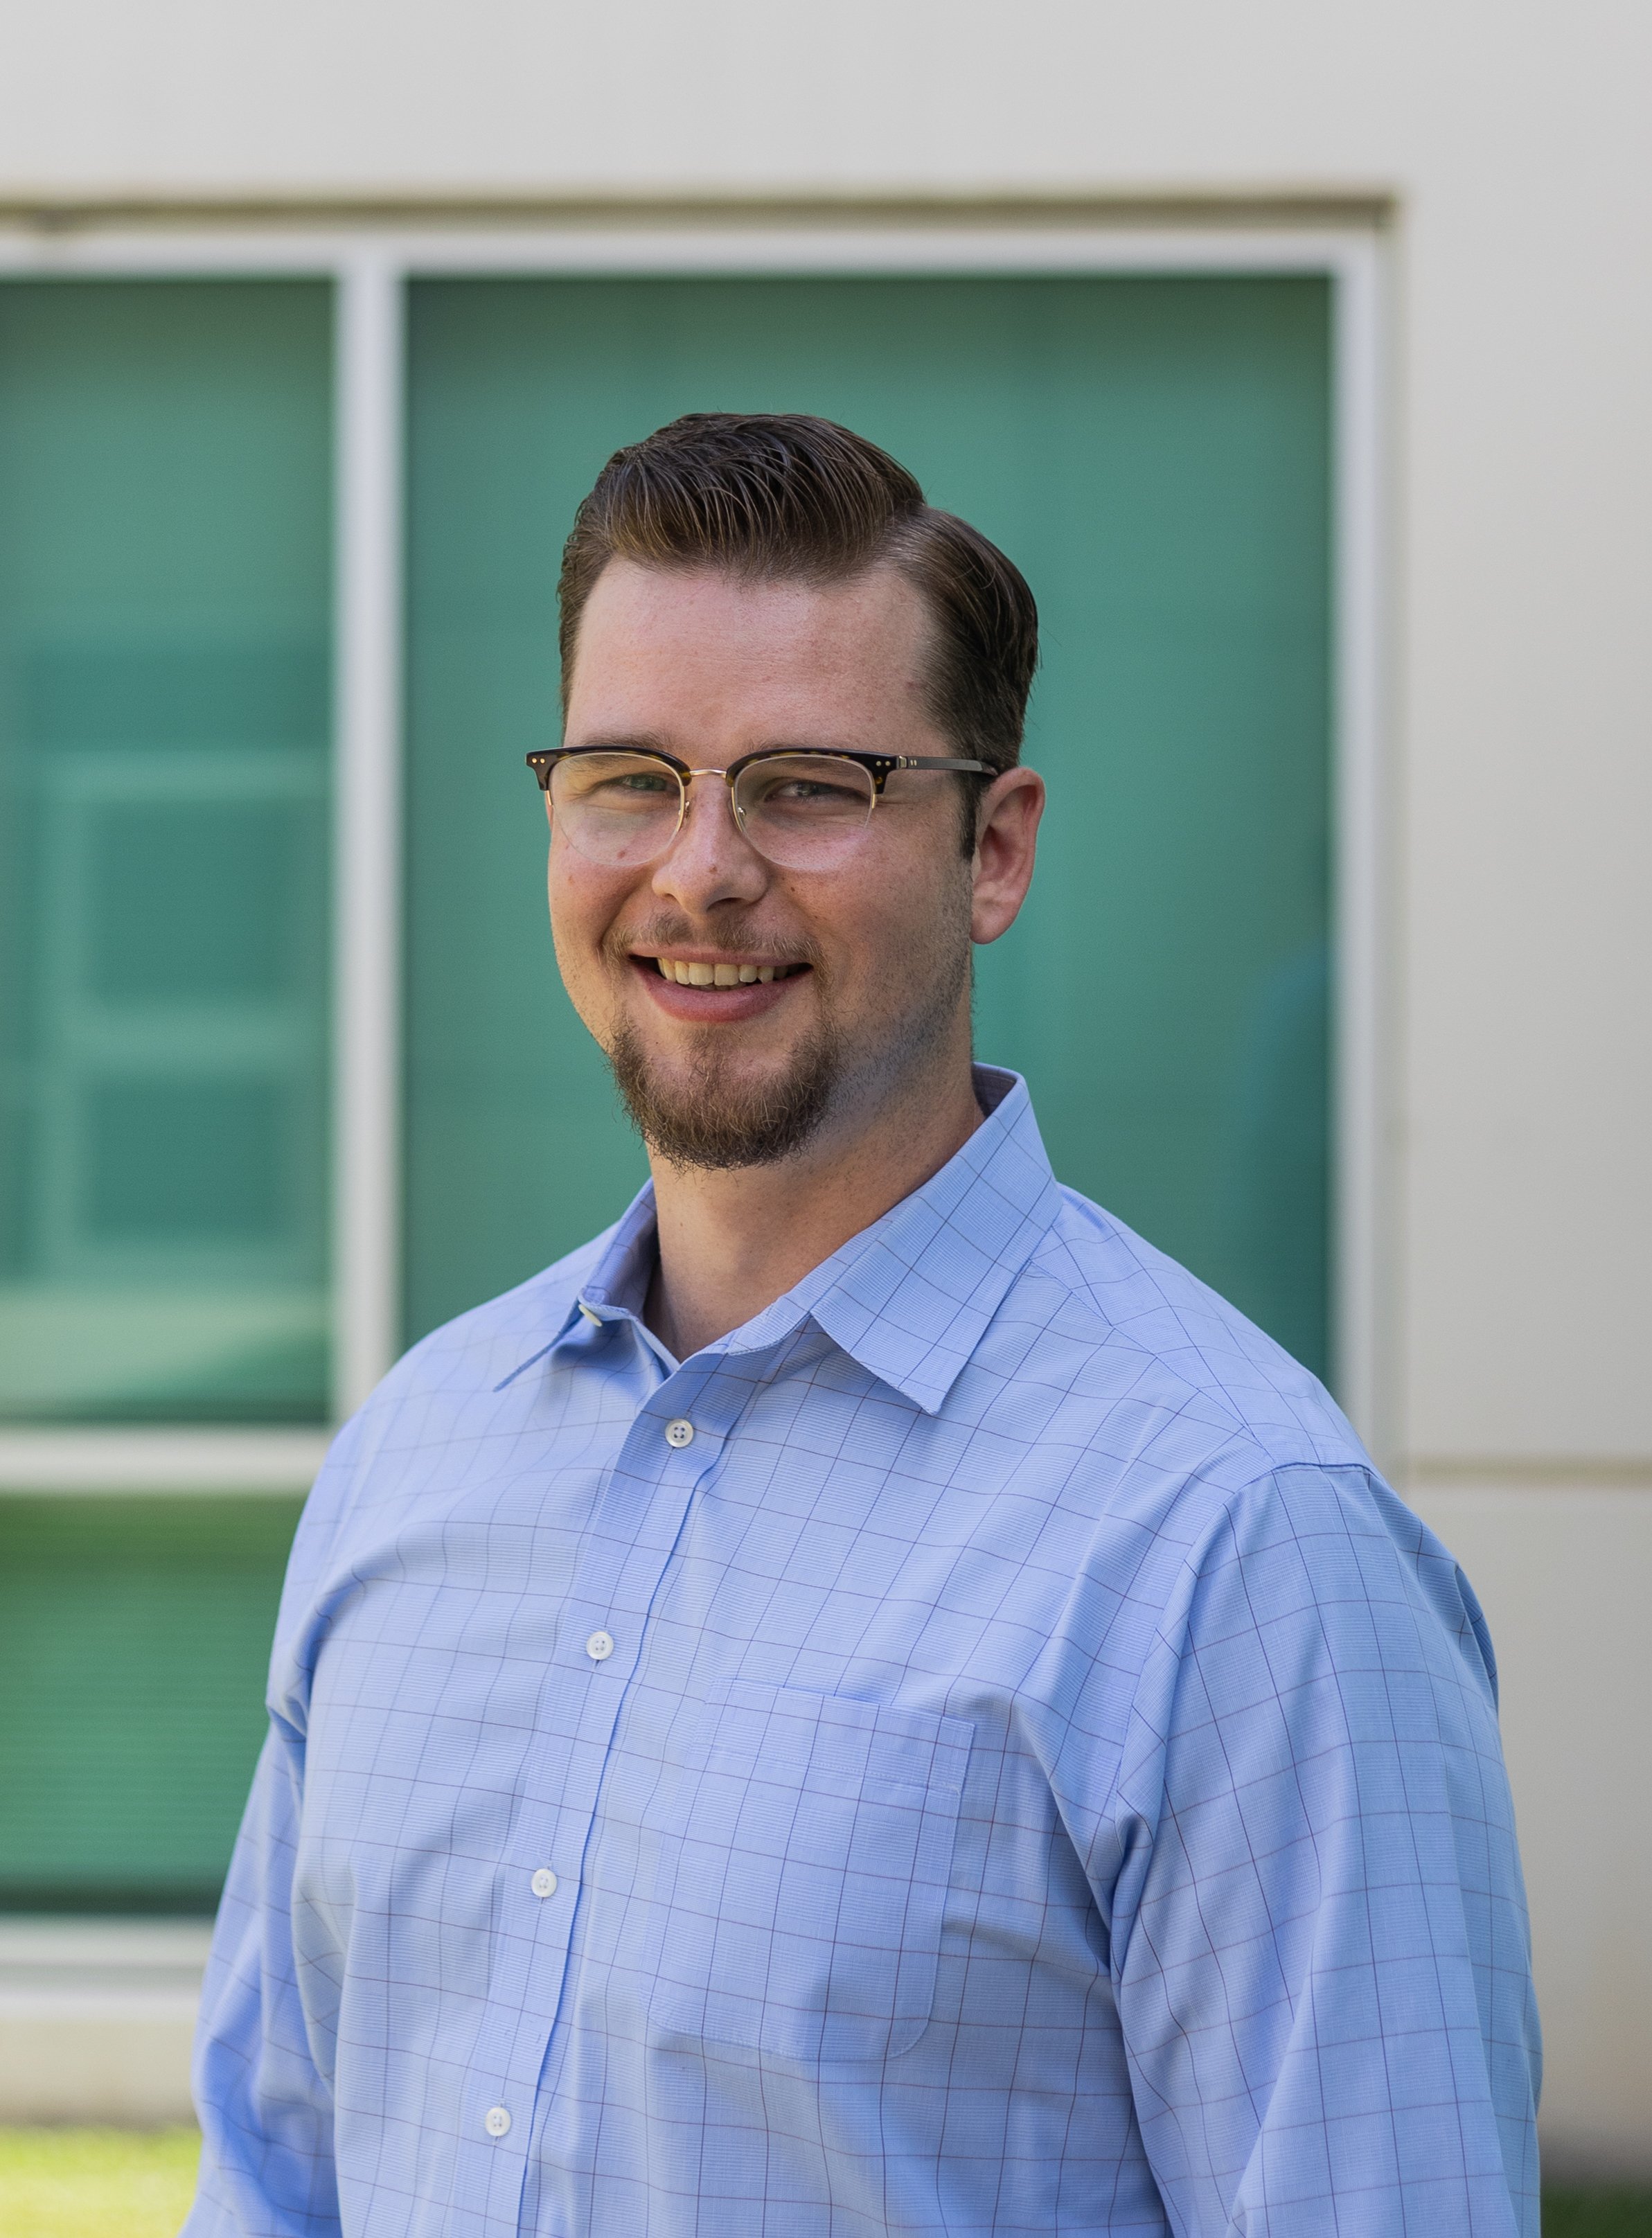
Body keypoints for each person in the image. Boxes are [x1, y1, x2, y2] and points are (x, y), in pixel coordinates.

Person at [186, 414, 1540, 2237]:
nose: (699, 872)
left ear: (992, 849)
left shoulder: (1240, 1547)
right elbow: (276, 2185)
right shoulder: (416, 1457)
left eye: (808, 784)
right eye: (627, 778)